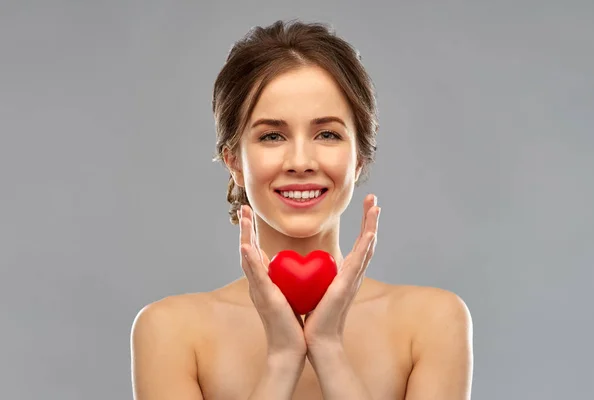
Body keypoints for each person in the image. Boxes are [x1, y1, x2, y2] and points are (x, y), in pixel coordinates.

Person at [130, 19, 473, 400]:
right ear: (234, 162)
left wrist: (328, 349)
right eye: (272, 135)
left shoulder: (433, 323)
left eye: (327, 134)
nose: (300, 160)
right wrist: (282, 358)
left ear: (358, 158)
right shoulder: (170, 332)